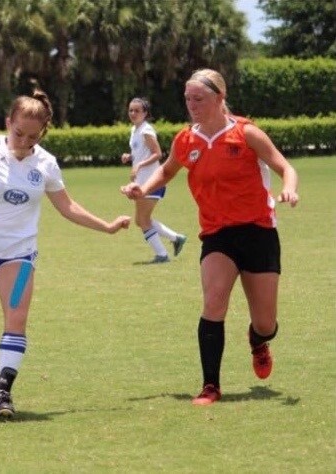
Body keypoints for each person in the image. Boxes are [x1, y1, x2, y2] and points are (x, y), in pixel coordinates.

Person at [0, 89, 131, 417]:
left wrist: (107, 226)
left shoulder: (46, 164)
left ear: (42, 133)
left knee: (16, 320)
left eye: (33, 137)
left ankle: (1, 391)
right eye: (19, 133)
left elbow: (67, 206)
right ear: (8, 122)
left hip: (18, 257)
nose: (24, 142)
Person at [121, 69, 299, 406]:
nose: (191, 105)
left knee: (266, 323)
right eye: (188, 99)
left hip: (258, 232)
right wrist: (142, 188)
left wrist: (289, 189)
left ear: (220, 98)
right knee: (214, 303)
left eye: (199, 99)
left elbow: (285, 168)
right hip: (217, 235)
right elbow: (167, 170)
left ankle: (258, 341)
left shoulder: (246, 133)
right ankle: (210, 386)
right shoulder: (186, 140)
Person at [121, 97, 187, 263]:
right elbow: (142, 152)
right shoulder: (135, 130)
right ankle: (176, 238)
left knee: (142, 220)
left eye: (137, 110)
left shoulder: (146, 130)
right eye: (131, 110)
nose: (133, 113)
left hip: (151, 181)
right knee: (141, 220)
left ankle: (162, 254)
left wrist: (139, 165)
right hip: (142, 182)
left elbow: (157, 153)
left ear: (145, 113)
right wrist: (130, 157)